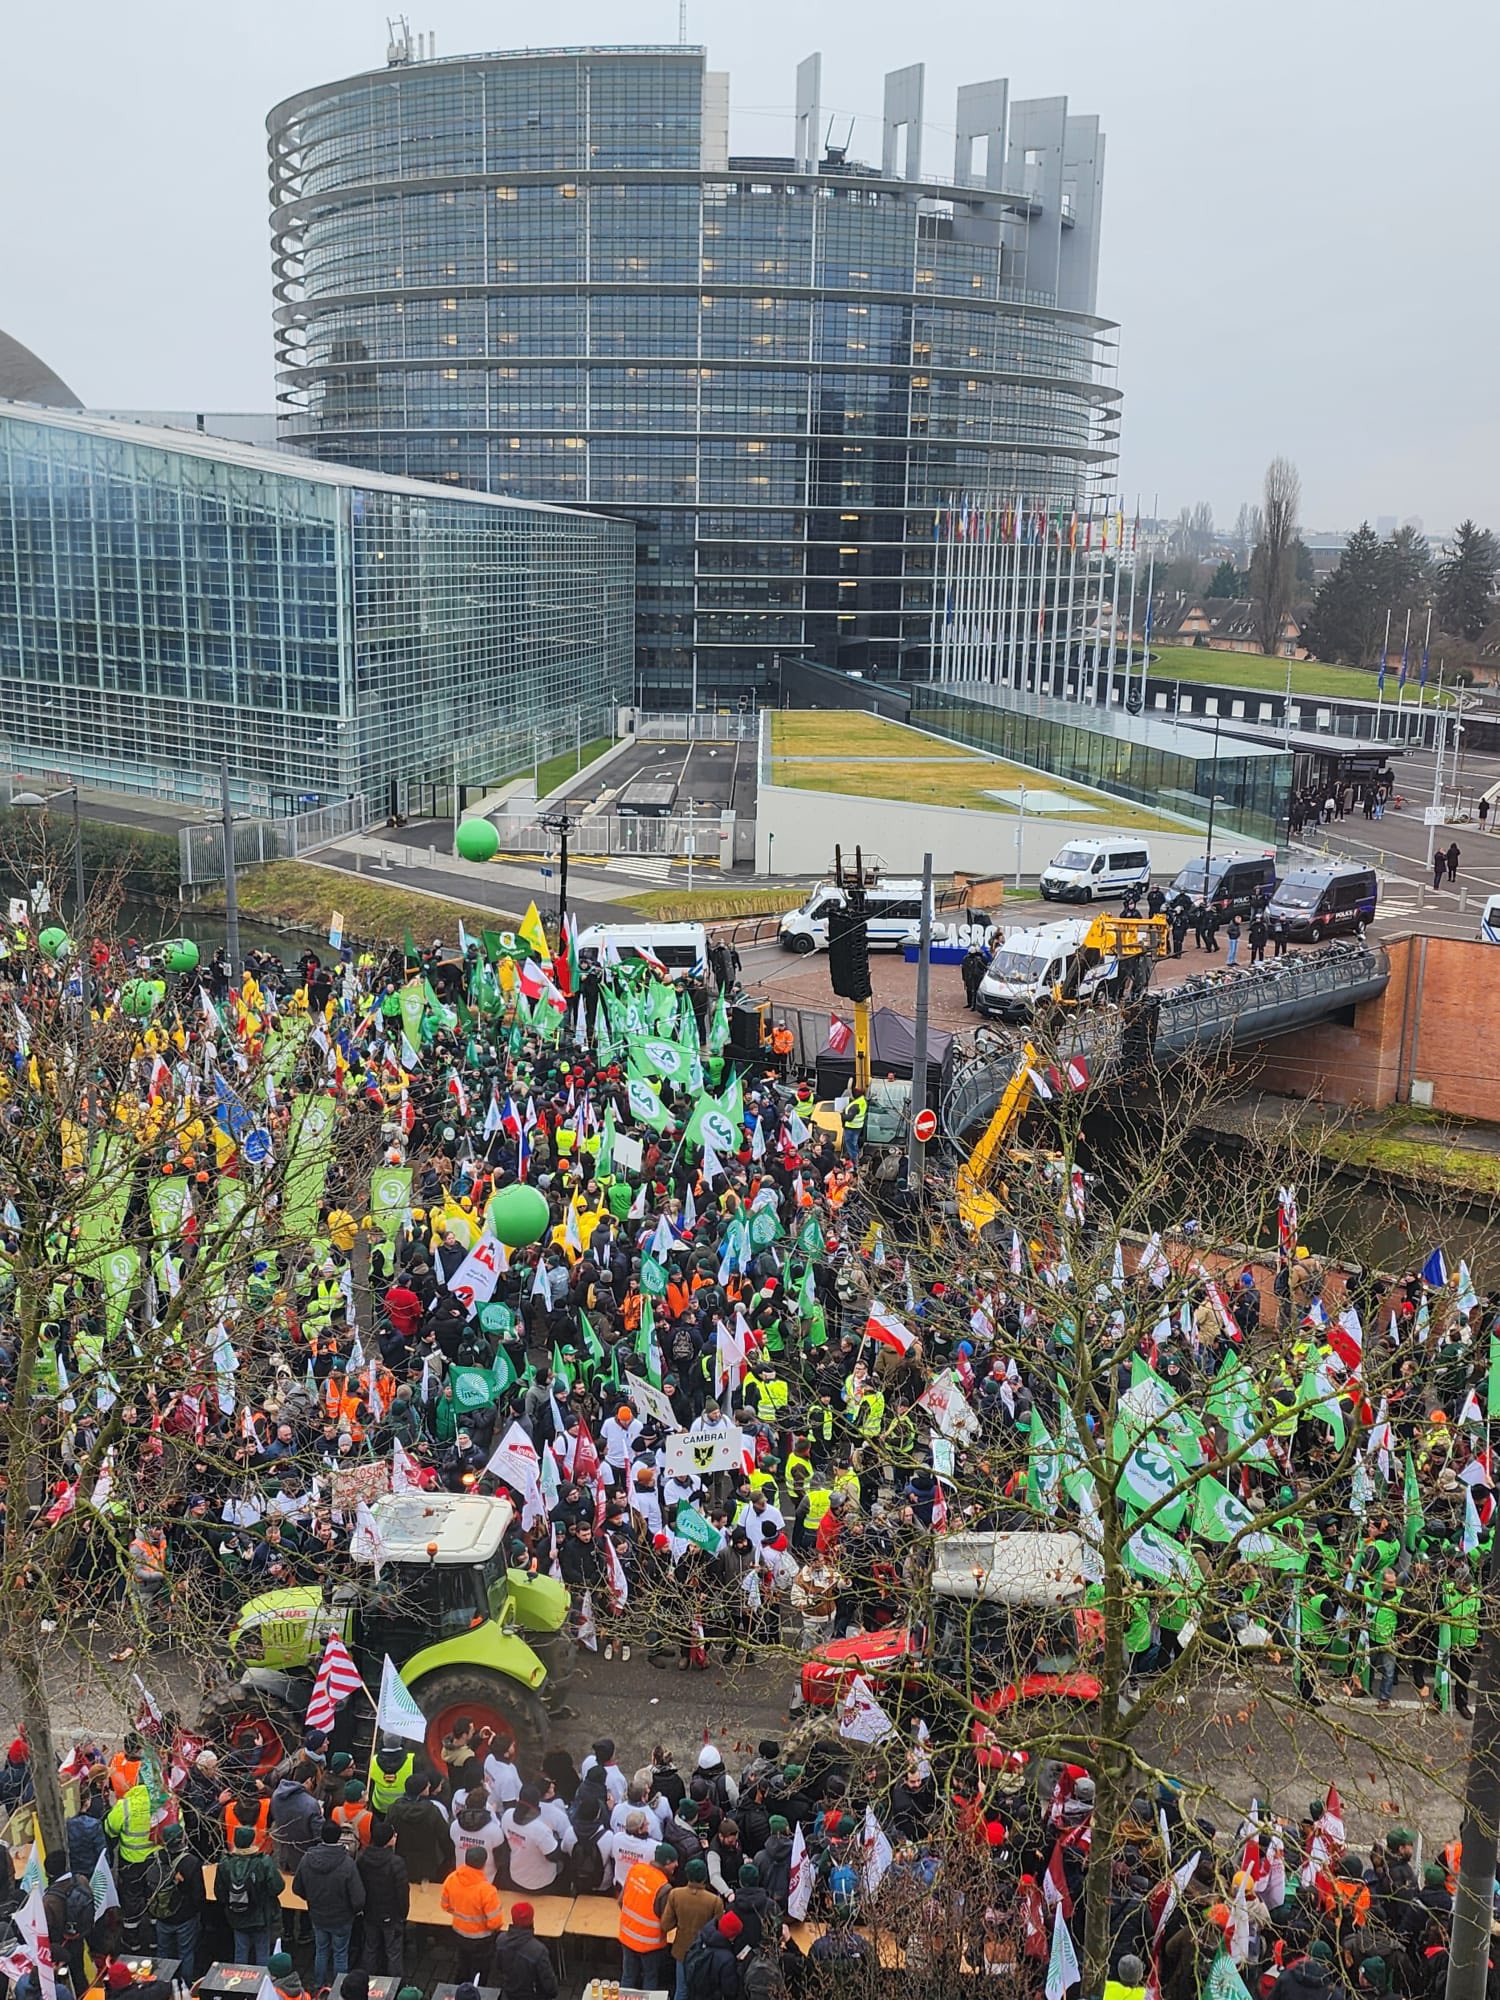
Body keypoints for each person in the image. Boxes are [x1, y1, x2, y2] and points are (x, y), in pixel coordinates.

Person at [292, 1822, 367, 1987]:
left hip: (318, 1916)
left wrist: (312, 1899)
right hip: (342, 1918)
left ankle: (319, 1986)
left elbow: (297, 1887)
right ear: (339, 1837)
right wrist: (352, 1911)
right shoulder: (347, 1864)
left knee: (321, 1950)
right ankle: (339, 1990)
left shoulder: (307, 1859)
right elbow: (358, 1898)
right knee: (340, 1954)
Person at [218, 1822, 284, 1966]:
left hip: (237, 1915)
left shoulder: (225, 1863)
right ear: (252, 1840)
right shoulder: (263, 1862)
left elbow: (220, 1893)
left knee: (240, 1953)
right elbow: (277, 1887)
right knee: (262, 1954)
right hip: (261, 1915)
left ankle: (239, 1985)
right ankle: (261, 1984)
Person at [661, 1856, 725, 2000]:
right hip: (704, 1953)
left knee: (681, 1990)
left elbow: (665, 1924)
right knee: (702, 1992)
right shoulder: (715, 1901)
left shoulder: (675, 1894)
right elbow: (720, 1932)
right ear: (704, 1876)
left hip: (681, 1950)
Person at [441, 1843, 507, 1980]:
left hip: (459, 1932)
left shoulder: (452, 1879)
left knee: (463, 1963)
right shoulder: (487, 1891)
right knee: (480, 1971)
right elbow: (495, 1923)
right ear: (484, 1864)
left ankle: (460, 1986)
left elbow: (445, 1905)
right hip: (481, 1939)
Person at [357, 1821, 411, 1978]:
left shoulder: (362, 1858)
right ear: (389, 1840)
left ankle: (367, 1981)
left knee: (370, 1947)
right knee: (393, 1952)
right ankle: (395, 1984)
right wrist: (402, 1915)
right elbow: (402, 1893)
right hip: (391, 1915)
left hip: (370, 1913)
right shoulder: (396, 1862)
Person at [619, 1843, 675, 1990]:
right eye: (674, 1862)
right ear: (667, 1863)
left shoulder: (636, 1869)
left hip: (627, 1937)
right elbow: (666, 1923)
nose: (677, 1865)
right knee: (650, 1978)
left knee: (628, 1976)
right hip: (650, 1945)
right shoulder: (664, 1887)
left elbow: (621, 1901)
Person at [492, 1900, 559, 2000]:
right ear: (531, 1920)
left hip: (509, 1993)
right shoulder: (538, 1950)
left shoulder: (501, 1940)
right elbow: (550, 1986)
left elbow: (498, 1968)